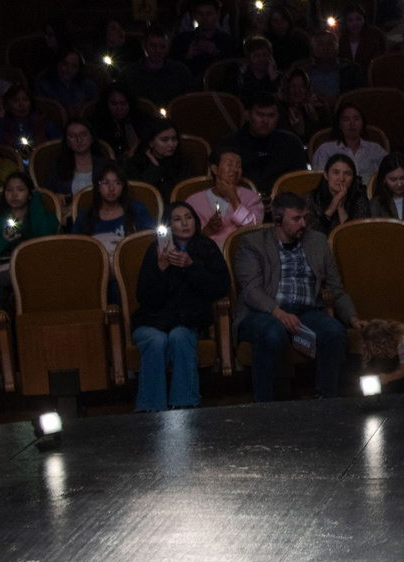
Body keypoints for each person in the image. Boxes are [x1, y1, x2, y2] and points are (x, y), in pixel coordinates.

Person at [232, 195, 355, 402]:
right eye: (296, 219)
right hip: (264, 311)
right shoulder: (253, 244)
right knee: (272, 333)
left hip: (306, 311)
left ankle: (326, 400)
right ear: (278, 220)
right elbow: (252, 290)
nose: (303, 224)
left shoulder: (317, 241)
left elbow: (335, 287)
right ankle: (264, 405)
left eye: (304, 217)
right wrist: (278, 313)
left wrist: (353, 317)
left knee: (335, 332)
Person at [131, 201, 228, 411]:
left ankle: (185, 405)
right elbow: (145, 298)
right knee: (156, 341)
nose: (185, 223)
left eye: (189, 217)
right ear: (168, 225)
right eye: (177, 219)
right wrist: (161, 269)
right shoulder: (156, 250)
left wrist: (191, 267)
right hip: (152, 321)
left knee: (179, 337)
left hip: (186, 321)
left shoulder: (206, 248)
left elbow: (219, 288)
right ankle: (150, 410)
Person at [223, 96, 308, 193]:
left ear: (278, 117)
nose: (265, 121)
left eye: (271, 116)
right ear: (247, 115)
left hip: (283, 204)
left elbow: (301, 181)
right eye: (260, 115)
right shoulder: (230, 145)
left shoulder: (291, 143)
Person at [188, 148, 266, 249]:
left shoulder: (252, 198)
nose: (235, 170)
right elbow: (186, 237)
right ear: (215, 169)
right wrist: (207, 230)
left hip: (243, 253)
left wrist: (233, 197)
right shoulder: (194, 201)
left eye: (238, 166)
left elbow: (255, 228)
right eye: (230, 165)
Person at [0, 171, 59, 257]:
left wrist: (36, 200)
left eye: (20, 189)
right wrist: (4, 241)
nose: (14, 194)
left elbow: (46, 239)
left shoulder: (47, 218)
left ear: (30, 193)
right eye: (9, 190)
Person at [312, 103, 387, 181]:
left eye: (356, 119)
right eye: (346, 119)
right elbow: (319, 181)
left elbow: (391, 173)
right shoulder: (325, 150)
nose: (352, 124)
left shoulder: (375, 149)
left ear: (362, 123)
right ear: (339, 125)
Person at [307, 152, 367, 233]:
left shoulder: (359, 199)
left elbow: (356, 237)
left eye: (347, 174)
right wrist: (331, 209)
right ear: (326, 175)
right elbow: (310, 234)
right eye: (336, 173)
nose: (341, 178)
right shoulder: (311, 197)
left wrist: (341, 208)